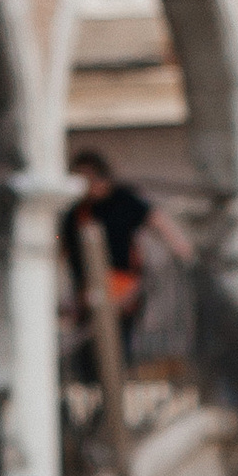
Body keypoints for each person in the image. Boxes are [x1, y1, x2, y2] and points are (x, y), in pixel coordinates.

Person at [62, 142, 190, 351]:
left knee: (118, 343)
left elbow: (157, 221)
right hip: (87, 291)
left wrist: (184, 253)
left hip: (123, 287)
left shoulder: (123, 199)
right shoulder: (76, 211)